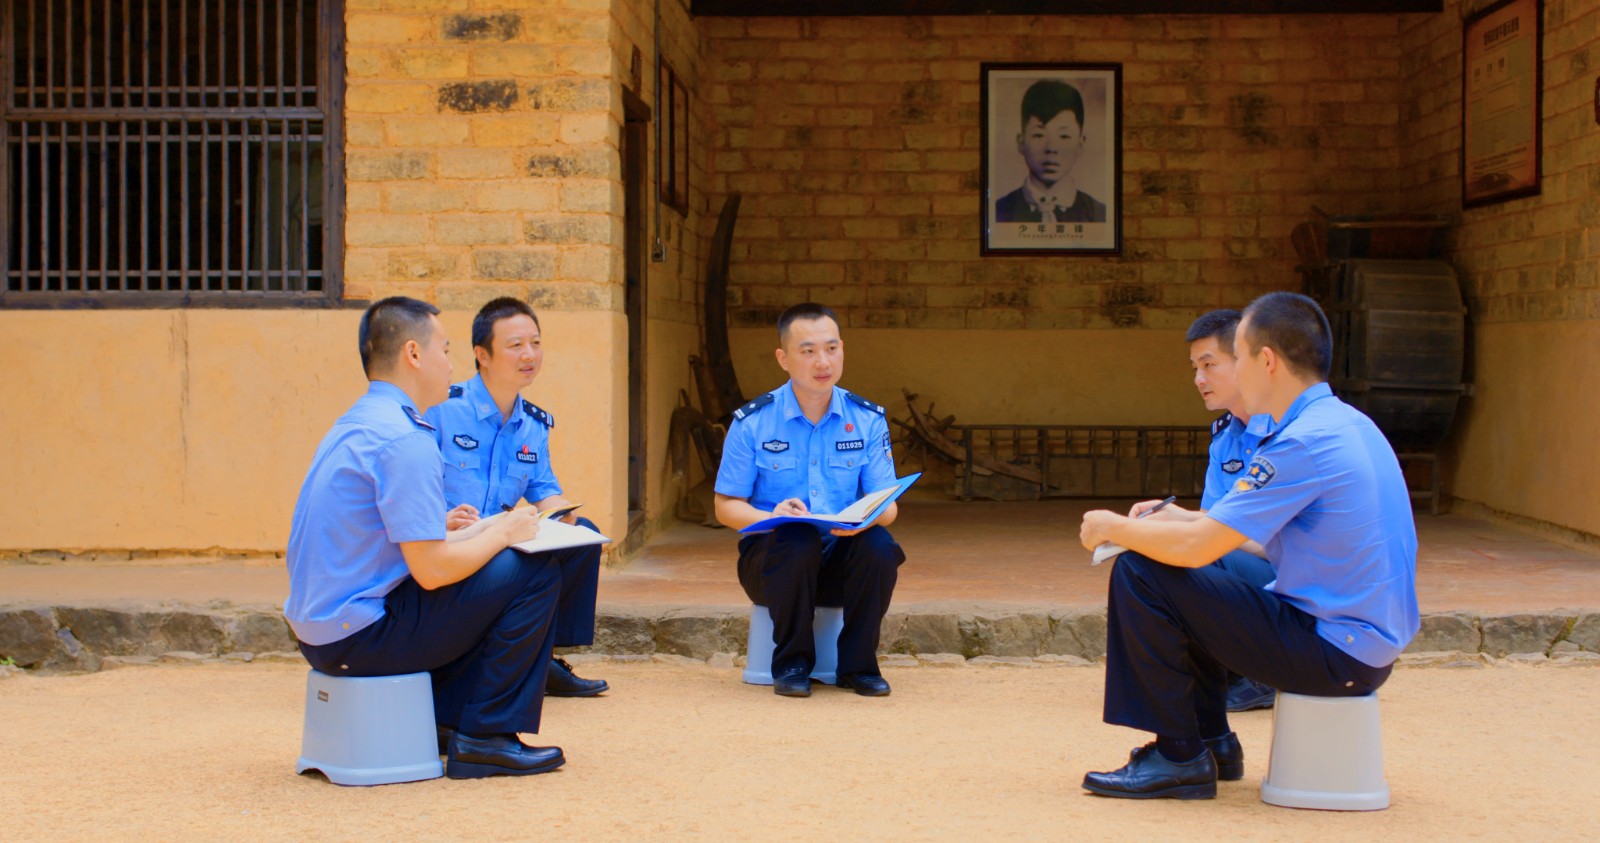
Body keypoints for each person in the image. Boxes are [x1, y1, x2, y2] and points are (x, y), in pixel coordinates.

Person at [1077, 292, 1419, 800]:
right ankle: (1211, 741)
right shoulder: (1342, 424)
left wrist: (1110, 525)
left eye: (1234, 353)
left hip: (1334, 654)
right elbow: (1241, 536)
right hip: (1362, 647)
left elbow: (1196, 549)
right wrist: (1182, 517)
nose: (1224, 369)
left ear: (1266, 361)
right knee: (1196, 570)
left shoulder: (1300, 443)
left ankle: (1177, 756)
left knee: (1142, 572)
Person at [285, 296, 568, 780]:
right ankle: (485, 736)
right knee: (534, 571)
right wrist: (502, 530)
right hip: (358, 636)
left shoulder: (359, 422)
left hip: (323, 630)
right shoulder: (406, 439)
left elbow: (393, 539)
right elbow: (432, 572)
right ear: (414, 354)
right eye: (446, 350)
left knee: (491, 566)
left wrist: (469, 528)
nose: (451, 364)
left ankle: (446, 721)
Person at [713, 303, 906, 698]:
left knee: (880, 547)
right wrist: (772, 515)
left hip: (839, 561)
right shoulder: (752, 422)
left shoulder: (867, 419)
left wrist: (865, 517)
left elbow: (888, 506)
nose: (823, 361)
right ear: (783, 359)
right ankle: (792, 663)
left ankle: (859, 666)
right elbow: (725, 506)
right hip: (773, 566)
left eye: (832, 349)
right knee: (795, 538)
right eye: (808, 351)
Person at [425, 297, 608, 699]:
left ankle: (544, 658)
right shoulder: (442, 409)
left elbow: (543, 489)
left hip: (506, 539)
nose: (529, 355)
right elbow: (413, 486)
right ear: (482, 355)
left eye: (536, 343)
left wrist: (563, 515)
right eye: (515, 345)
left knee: (584, 535)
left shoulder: (534, 425)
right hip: (458, 542)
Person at [1183, 309, 1277, 713]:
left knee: (1201, 555)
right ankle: (1222, 667)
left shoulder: (1287, 432)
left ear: (1248, 361)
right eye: (1194, 368)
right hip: (1252, 560)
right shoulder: (1225, 437)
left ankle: (1267, 671)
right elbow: (1212, 517)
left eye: (1209, 365)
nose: (1198, 379)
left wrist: (1205, 531)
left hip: (1295, 573)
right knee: (1165, 552)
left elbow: (1272, 538)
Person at [993, 79, 1107, 224]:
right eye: (1039, 135)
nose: (1051, 148)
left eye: (1064, 136)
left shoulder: (1100, 215)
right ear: (1021, 142)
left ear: (1080, 144)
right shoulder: (998, 212)